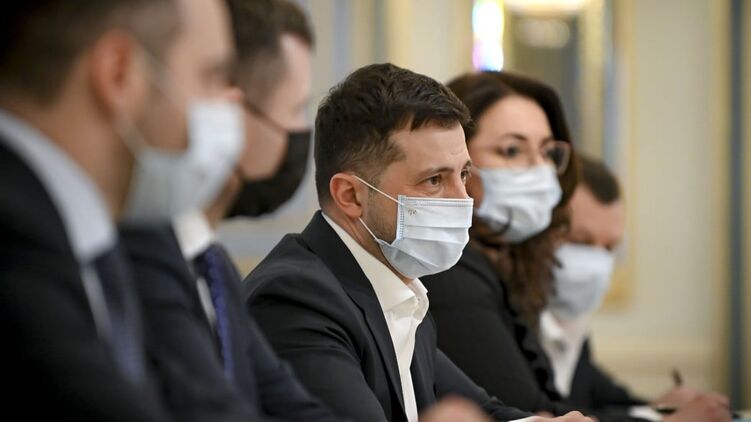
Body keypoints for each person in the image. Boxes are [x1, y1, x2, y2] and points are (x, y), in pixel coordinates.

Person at [243, 62, 592, 422]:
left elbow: (485, 411)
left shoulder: (402, 292)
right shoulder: (298, 298)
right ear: (350, 195)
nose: (463, 199)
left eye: (464, 174)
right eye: (434, 180)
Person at [422, 71, 731, 422]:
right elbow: (532, 412)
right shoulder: (450, 269)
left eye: (546, 152)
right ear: (456, 158)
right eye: (512, 150)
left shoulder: (513, 272)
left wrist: (658, 412)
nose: (539, 171)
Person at [0, 0, 237, 419]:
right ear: (119, 74)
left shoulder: (91, 239)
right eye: (211, 77)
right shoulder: (15, 249)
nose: (229, 107)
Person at [120, 0, 341, 420]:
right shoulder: (142, 253)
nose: (301, 131)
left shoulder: (214, 265)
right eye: (296, 109)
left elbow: (290, 405)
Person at [541, 155, 731, 422]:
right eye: (581, 242)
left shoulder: (570, 322)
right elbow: (542, 414)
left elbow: (601, 396)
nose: (596, 263)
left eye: (609, 247)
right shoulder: (506, 316)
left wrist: (662, 406)